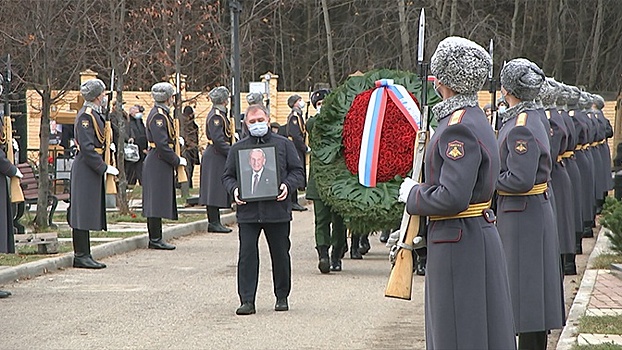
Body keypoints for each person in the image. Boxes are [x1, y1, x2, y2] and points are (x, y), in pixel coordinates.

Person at [399, 36, 516, 349]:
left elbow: (452, 196)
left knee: (456, 332)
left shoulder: (457, 127)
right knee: (476, 331)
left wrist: (413, 194)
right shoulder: (472, 118)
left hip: (457, 239)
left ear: (442, 79)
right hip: (470, 235)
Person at [496, 58, 564, 349]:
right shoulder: (528, 116)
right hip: (529, 211)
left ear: (508, 89)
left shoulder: (521, 125)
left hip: (522, 213)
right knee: (529, 292)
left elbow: (519, 179)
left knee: (526, 295)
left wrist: (487, 180)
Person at [222, 104, 305, 315]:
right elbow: (227, 176)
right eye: (252, 122)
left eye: (260, 120)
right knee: (247, 256)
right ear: (246, 124)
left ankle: (282, 295)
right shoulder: (238, 148)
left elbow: (298, 172)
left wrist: (287, 185)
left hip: (277, 211)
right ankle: (247, 300)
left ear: (268, 120)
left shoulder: (284, 145)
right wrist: (235, 190)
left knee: (280, 254)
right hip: (249, 213)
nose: (257, 124)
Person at [69, 78, 118, 269]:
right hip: (86, 167)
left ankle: (85, 253)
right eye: (104, 94)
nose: (105, 97)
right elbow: (88, 148)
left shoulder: (94, 114)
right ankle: (80, 255)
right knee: (82, 212)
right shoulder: (86, 116)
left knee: (87, 210)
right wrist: (103, 167)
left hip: (91, 167)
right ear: (97, 97)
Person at [306, 88, 347, 273]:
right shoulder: (313, 123)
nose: (322, 107)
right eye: (319, 104)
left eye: (325, 103)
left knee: (339, 221)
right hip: (319, 180)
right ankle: (323, 254)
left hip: (338, 180)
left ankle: (336, 255)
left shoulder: (342, 122)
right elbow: (314, 124)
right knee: (321, 219)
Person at [141, 82, 185, 251]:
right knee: (155, 201)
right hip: (158, 160)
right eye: (172, 96)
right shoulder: (159, 116)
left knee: (158, 199)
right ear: (168, 98)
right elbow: (161, 143)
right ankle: (155, 238)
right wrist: (176, 159)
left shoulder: (163, 113)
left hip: (159, 160)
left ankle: (157, 237)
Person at [199, 86, 233, 233]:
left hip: (217, 154)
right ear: (225, 100)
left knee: (216, 189)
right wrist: (232, 152)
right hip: (215, 154)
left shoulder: (219, 114)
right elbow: (218, 139)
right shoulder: (217, 116)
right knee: (213, 190)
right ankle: (213, 222)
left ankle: (215, 221)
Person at [286, 94, 309, 212]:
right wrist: (304, 147)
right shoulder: (294, 117)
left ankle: (294, 201)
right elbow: (295, 135)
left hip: (297, 148)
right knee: (295, 172)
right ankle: (293, 201)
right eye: (299, 100)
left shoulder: (299, 115)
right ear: (294, 103)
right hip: (295, 148)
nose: (302, 102)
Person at [127, 105, 147, 186]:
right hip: (135, 150)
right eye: (138, 112)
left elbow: (143, 134)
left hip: (142, 150)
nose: (140, 114)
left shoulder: (140, 122)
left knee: (141, 170)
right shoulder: (130, 123)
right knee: (133, 171)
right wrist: (142, 148)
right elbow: (137, 136)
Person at [182, 106, 200, 188]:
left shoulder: (191, 123)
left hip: (192, 149)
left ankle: (189, 186)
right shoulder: (184, 124)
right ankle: (187, 186)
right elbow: (186, 137)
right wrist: (194, 146)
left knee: (190, 169)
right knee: (188, 169)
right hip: (187, 149)